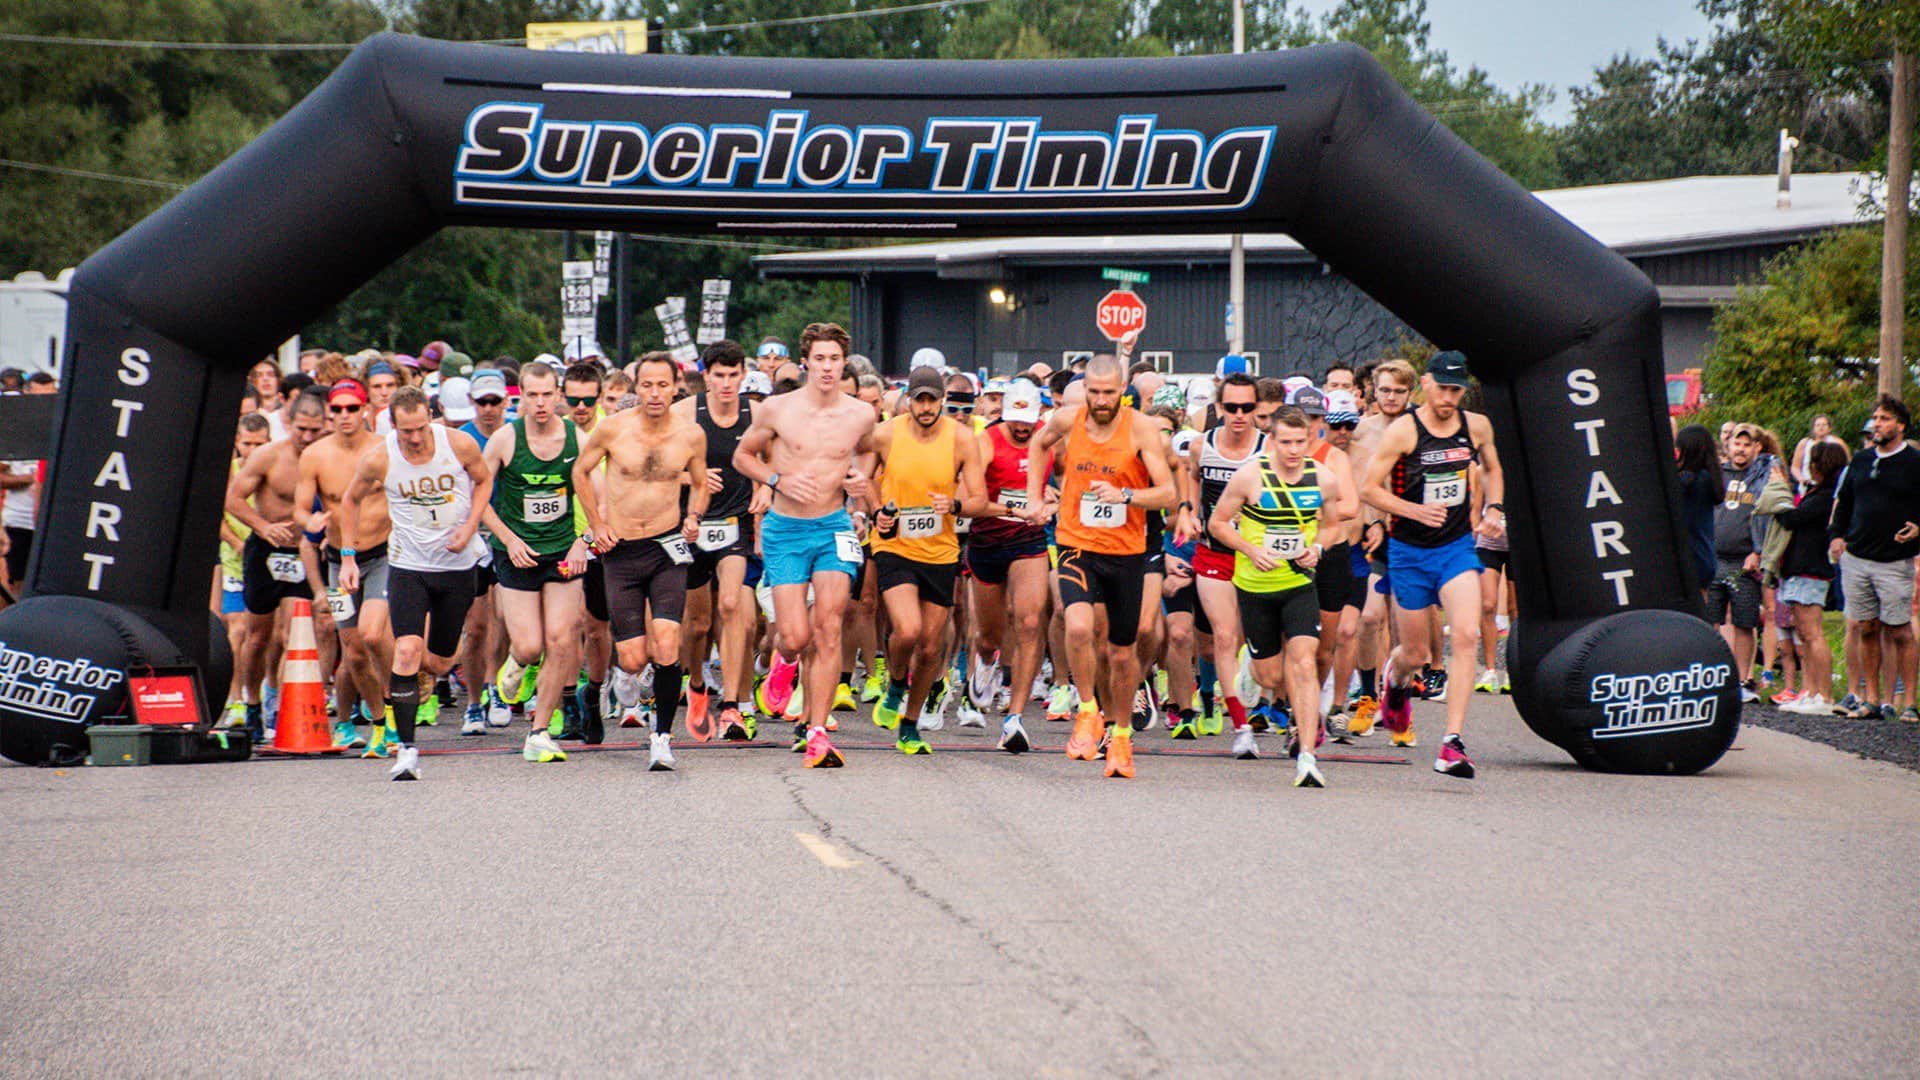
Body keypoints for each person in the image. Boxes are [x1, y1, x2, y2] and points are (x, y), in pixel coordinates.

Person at [1022, 354, 1178, 779]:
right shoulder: (1069, 419)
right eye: (1094, 392)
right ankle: (1088, 709)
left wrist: (1126, 496)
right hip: (1076, 542)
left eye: (1110, 392)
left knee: (1122, 654)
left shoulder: (1142, 429)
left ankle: (1122, 736)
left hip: (1126, 552)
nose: (1102, 400)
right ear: (1085, 390)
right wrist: (1035, 497)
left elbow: (1167, 494)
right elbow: (1038, 445)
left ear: (1123, 390)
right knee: (1076, 627)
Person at [732, 322, 878, 768]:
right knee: (794, 636)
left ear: (844, 363)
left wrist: (860, 481)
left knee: (830, 627)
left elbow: (869, 452)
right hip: (785, 528)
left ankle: (817, 731)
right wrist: (778, 479)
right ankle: (783, 661)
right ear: (806, 362)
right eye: (820, 359)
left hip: (833, 526)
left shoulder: (860, 414)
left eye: (835, 359)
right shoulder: (777, 409)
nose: (828, 367)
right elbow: (743, 456)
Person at [1360, 351, 1503, 779]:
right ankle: (1396, 681)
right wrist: (1412, 510)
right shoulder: (1405, 432)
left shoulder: (1475, 426)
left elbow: (1494, 469)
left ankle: (1451, 742)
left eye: (1456, 390)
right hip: (1408, 551)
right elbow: (1369, 488)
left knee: (1465, 634)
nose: (1448, 398)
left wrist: (1494, 507)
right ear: (1425, 383)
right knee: (1417, 652)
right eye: (1441, 388)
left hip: (1456, 546)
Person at [337, 387, 491, 780]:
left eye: (421, 427)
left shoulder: (458, 444)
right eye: (407, 431)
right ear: (393, 425)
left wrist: (470, 527)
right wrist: (348, 556)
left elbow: (484, 482)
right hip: (408, 565)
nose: (416, 437)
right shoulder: (380, 457)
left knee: (439, 661)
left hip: (456, 566)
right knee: (405, 650)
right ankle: (406, 750)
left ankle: (422, 674)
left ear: (431, 418)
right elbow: (350, 501)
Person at [576, 353, 708, 771]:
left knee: (667, 643)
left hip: (668, 548)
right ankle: (593, 692)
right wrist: (597, 524)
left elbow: (702, 483)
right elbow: (580, 472)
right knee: (633, 658)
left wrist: (693, 517)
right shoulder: (613, 429)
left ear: (675, 387)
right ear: (638, 388)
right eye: (647, 385)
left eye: (662, 385)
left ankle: (662, 738)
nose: (654, 393)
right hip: (622, 551)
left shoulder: (690, 435)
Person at [1209, 405, 1345, 787]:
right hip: (1255, 586)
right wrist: (1250, 550)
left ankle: (1306, 756)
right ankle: (1250, 667)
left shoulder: (1324, 479)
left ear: (1310, 440)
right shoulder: (1250, 476)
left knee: (1304, 662)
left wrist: (1317, 549)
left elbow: (1332, 526)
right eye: (1286, 442)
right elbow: (1217, 523)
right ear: (1273, 440)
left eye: (1301, 442)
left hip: (1299, 582)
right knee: (1270, 674)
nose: (1293, 450)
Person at [868, 366, 996, 754]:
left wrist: (955, 504)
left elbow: (978, 499)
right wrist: (877, 511)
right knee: (906, 630)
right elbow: (866, 478)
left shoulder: (961, 439)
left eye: (932, 399)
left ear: (943, 400)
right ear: (908, 399)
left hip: (940, 550)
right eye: (918, 399)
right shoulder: (887, 433)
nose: (925, 407)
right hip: (895, 545)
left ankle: (910, 724)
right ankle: (894, 682)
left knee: (930, 647)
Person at [479, 362, 593, 764]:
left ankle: (540, 731)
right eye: (532, 395)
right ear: (520, 397)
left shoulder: (578, 439)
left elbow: (601, 496)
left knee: (562, 639)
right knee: (529, 646)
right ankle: (516, 663)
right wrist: (508, 540)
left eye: (548, 394)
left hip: (563, 550)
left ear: (558, 394)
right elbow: (479, 501)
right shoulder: (505, 441)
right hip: (517, 552)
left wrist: (585, 542)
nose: (541, 403)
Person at [295, 379, 401, 755]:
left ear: (365, 410)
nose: (344, 416)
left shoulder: (384, 449)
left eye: (351, 408)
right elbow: (300, 507)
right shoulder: (316, 455)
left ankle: (396, 705)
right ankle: (379, 722)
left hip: (384, 555)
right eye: (336, 410)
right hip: (339, 562)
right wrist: (308, 522)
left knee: (373, 635)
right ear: (329, 414)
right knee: (353, 650)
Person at [222, 391, 331, 742]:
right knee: (258, 636)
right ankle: (253, 701)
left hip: (306, 551)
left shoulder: (327, 456)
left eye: (315, 430)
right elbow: (232, 499)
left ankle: (283, 700)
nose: (308, 437)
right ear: (288, 423)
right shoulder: (269, 456)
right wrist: (262, 526)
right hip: (266, 551)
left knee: (296, 632)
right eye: (302, 429)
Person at [673, 341, 765, 743]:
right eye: (718, 375)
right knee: (696, 623)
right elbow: (654, 464)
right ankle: (696, 684)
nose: (727, 384)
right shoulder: (684, 413)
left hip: (735, 523)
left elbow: (775, 456)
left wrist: (766, 486)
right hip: (691, 525)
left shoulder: (758, 413)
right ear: (705, 375)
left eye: (733, 375)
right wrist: (688, 477)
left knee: (731, 605)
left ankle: (730, 707)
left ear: (743, 374)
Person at [1174, 372, 1265, 739]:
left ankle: (1258, 693)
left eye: (1247, 407)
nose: (1239, 414)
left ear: (1257, 408)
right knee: (1224, 637)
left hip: (1256, 556)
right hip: (1214, 552)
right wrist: (1189, 510)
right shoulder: (1202, 444)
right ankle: (1241, 724)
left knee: (1248, 643)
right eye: (1231, 407)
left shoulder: (1269, 447)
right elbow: (1191, 476)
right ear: (1218, 407)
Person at [965, 378, 1054, 752]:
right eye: (1016, 420)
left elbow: (1073, 480)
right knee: (990, 637)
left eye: (1029, 420)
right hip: (987, 541)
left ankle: (1014, 718)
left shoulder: (1049, 439)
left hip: (1028, 541)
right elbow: (967, 503)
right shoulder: (985, 442)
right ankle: (986, 662)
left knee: (1031, 621)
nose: (1022, 427)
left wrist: (1055, 500)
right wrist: (1015, 508)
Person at [1828, 395, 1920, 723]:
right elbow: (1846, 501)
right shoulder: (1862, 459)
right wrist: (1836, 535)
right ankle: (1871, 699)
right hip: (1857, 557)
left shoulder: (1913, 462)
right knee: (1866, 627)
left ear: (1900, 425)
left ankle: (1909, 701)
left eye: (1884, 418)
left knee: (1900, 631)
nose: (1877, 423)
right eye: (1875, 418)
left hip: (1894, 561)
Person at [1772, 441, 1847, 715]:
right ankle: (1811, 690)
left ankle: (1824, 696)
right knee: (1803, 633)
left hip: (1810, 570)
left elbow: (1792, 518)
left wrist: (1780, 490)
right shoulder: (1816, 492)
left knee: (1813, 633)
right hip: (1797, 569)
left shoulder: (1826, 497)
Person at [1709, 424, 1776, 702]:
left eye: (1748, 445)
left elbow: (1769, 515)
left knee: (1744, 621)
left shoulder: (1762, 476)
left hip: (1745, 558)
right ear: (1729, 444)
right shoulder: (1718, 475)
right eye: (1738, 443)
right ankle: (1713, 679)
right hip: (1714, 557)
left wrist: (1758, 552)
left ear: (1757, 448)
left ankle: (1742, 681)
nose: (1741, 449)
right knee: (1710, 620)